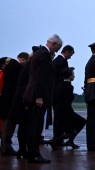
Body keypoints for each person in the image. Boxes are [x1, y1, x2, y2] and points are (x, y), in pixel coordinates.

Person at [23, 35, 63, 163]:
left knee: (32, 125)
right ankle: (34, 153)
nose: (56, 51)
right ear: (54, 43)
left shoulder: (38, 52)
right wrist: (39, 96)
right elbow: (41, 77)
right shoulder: (45, 54)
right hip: (38, 96)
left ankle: (31, 152)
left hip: (31, 93)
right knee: (36, 125)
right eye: (58, 48)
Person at [8, 47, 36, 160]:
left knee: (23, 126)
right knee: (25, 126)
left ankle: (22, 149)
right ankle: (23, 149)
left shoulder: (26, 67)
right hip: (24, 100)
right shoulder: (29, 68)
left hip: (20, 99)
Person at [49, 68, 86, 149]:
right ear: (69, 76)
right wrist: (67, 115)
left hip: (60, 110)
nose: (74, 76)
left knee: (80, 122)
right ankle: (56, 140)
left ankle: (66, 141)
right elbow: (67, 101)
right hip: (66, 111)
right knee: (75, 128)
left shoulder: (60, 85)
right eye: (73, 74)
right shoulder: (69, 86)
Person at [0, 55, 25, 156]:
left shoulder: (10, 66)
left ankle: (5, 146)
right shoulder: (16, 67)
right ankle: (6, 147)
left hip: (6, 100)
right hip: (11, 101)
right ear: (23, 59)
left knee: (6, 125)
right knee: (8, 125)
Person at [51, 45, 74, 147]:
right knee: (59, 118)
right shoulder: (62, 61)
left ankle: (58, 138)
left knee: (57, 117)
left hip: (55, 91)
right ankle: (58, 139)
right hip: (59, 93)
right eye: (71, 54)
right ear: (67, 51)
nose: (70, 57)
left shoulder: (56, 60)